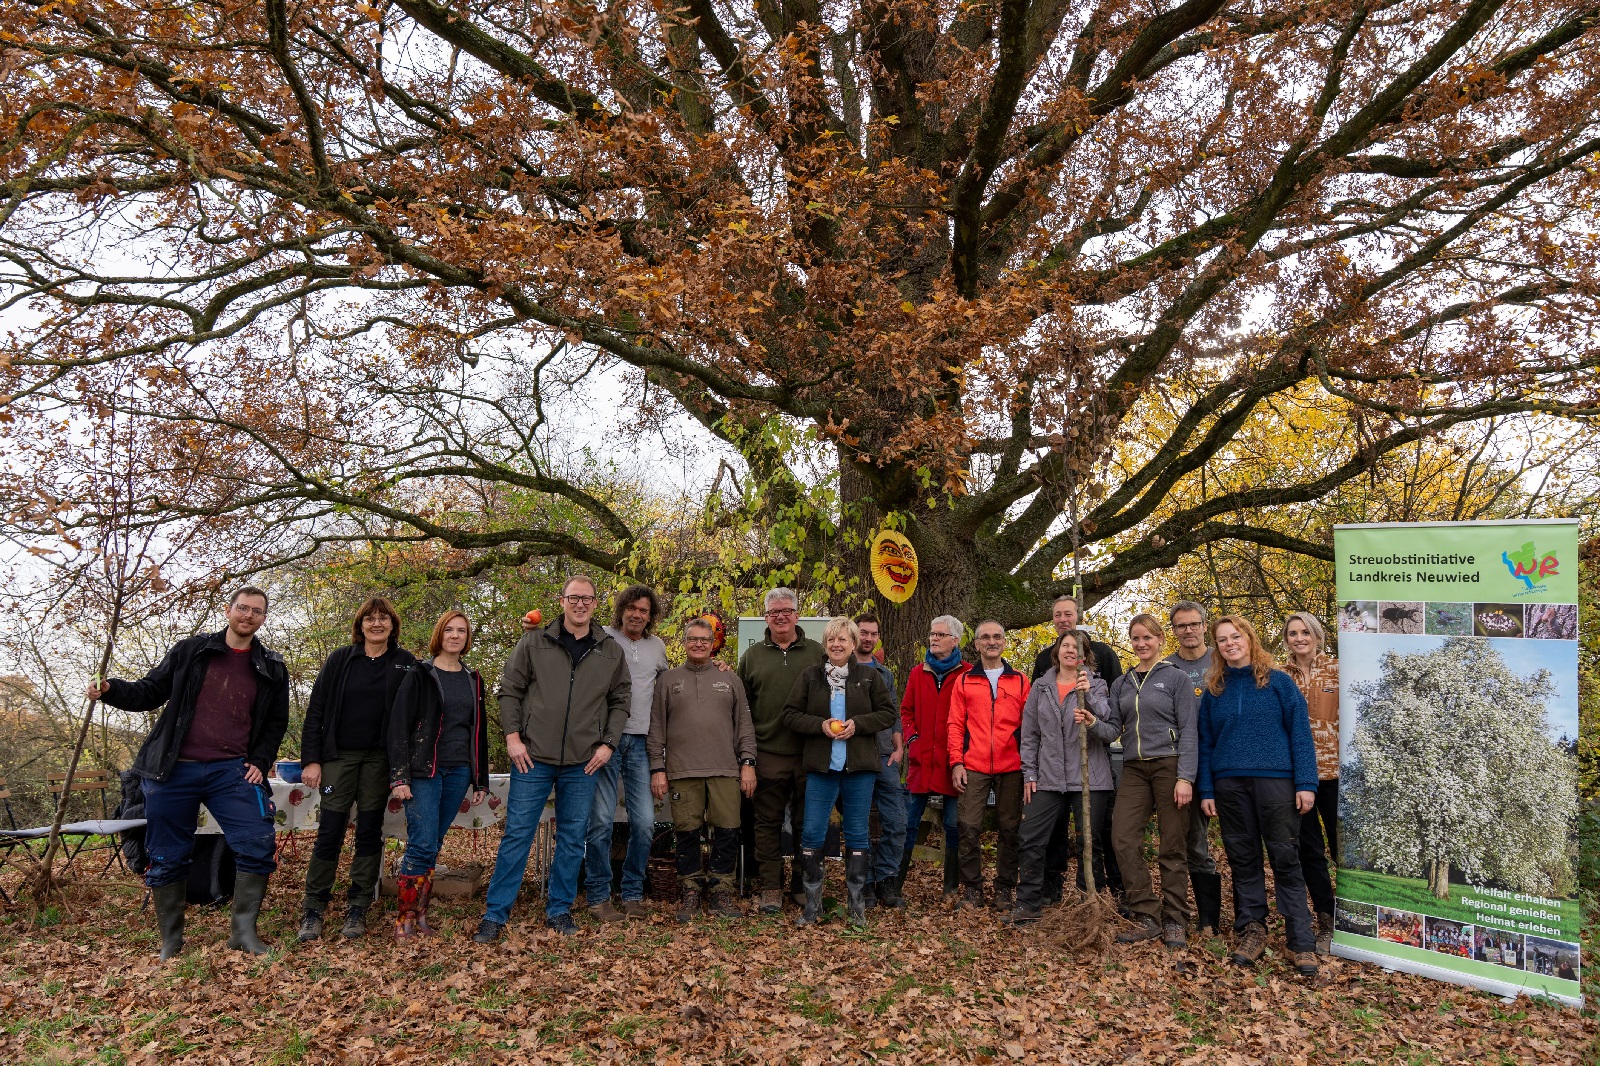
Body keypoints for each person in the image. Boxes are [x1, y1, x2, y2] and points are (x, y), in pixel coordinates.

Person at [89, 587, 289, 960]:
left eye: (256, 611)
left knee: (257, 843)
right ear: (228, 610)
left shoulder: (272, 666)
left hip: (231, 770)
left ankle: (243, 934)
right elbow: (150, 691)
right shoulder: (191, 651)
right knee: (167, 853)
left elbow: (276, 723)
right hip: (171, 769)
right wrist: (111, 689)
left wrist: (260, 763)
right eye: (242, 608)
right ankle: (171, 941)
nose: (248, 616)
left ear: (263, 618)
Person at [475, 575, 630, 940]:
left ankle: (559, 910)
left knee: (574, 838)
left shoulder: (610, 650)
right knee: (518, 834)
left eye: (587, 599)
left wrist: (608, 744)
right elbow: (509, 691)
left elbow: (621, 701)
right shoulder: (533, 641)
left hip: (583, 761)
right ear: (562, 602)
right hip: (534, 757)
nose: (580, 605)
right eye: (573, 598)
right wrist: (513, 738)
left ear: (595, 604)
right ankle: (496, 914)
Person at [1196, 615, 1320, 978]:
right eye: (1222, 639)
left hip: (1276, 783)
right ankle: (1252, 930)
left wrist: (1306, 784)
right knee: (1242, 857)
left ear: (1249, 639)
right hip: (1229, 785)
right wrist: (1206, 788)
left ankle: (1301, 939)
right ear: (1216, 647)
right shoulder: (1214, 690)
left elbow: (1300, 733)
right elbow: (1205, 744)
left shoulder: (1279, 682)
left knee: (1285, 856)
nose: (1230, 643)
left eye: (1236, 636)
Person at [296, 597, 416, 942]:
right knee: (330, 829)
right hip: (339, 758)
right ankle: (314, 908)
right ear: (360, 625)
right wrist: (312, 759)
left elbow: (415, 715)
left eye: (383, 619)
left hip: (380, 761)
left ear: (393, 626)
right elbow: (316, 710)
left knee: (368, 831)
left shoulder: (405, 663)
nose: (376, 624)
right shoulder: (340, 660)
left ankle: (358, 907)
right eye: (370, 619)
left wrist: (404, 769)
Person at [782, 617, 898, 926]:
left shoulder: (869, 677)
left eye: (843, 640)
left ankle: (856, 906)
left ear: (853, 644)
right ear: (825, 643)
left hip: (859, 768)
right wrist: (819, 725)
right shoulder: (810, 677)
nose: (837, 645)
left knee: (858, 833)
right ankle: (813, 905)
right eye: (832, 640)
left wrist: (858, 725)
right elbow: (790, 715)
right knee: (811, 832)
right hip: (821, 768)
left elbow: (888, 713)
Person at [387, 610, 489, 937]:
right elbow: (398, 726)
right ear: (440, 635)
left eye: (461, 631)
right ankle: (405, 919)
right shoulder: (420, 674)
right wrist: (399, 777)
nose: (455, 636)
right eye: (449, 630)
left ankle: (420, 917)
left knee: (434, 843)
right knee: (422, 843)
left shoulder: (473, 679)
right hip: (424, 770)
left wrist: (480, 779)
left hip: (459, 770)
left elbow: (479, 731)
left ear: (467, 638)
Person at [1006, 631, 1118, 924]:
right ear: (1057, 651)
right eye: (1065, 645)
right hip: (1048, 777)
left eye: (1077, 647)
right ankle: (1028, 904)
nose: (1070, 651)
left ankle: (1086, 906)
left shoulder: (1097, 684)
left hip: (1089, 778)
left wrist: (1089, 696)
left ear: (1085, 655)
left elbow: (1109, 726)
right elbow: (1029, 735)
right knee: (1030, 838)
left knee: (1088, 843)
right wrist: (1029, 772)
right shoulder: (1040, 687)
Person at [649, 618, 757, 921]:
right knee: (686, 832)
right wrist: (657, 767)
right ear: (684, 642)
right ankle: (690, 890)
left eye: (705, 639)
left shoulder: (730, 679)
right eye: (692, 639)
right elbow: (656, 727)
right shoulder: (668, 680)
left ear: (714, 643)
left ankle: (721, 889)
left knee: (727, 830)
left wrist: (748, 763)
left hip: (725, 768)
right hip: (682, 770)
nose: (699, 644)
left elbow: (745, 727)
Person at [1108, 613, 1197, 949]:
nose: (1141, 643)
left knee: (1172, 844)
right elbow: (1112, 728)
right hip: (1133, 768)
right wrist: (1090, 722)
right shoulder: (1122, 683)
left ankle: (1175, 919)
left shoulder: (1176, 678)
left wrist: (1185, 777)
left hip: (1169, 766)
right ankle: (1146, 913)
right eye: (1136, 638)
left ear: (1160, 639)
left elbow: (1189, 729)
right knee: (1123, 838)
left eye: (1148, 637)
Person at [583, 585, 669, 922]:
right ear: (621, 609)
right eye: (632, 608)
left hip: (642, 744)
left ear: (651, 616)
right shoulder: (601, 637)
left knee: (645, 823)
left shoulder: (657, 647)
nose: (637, 614)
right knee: (601, 821)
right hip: (606, 742)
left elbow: (668, 687)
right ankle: (599, 894)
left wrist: (714, 664)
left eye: (644, 610)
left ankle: (632, 891)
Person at [1031, 594, 1124, 906]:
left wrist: (1093, 712)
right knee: (1053, 832)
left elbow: (1114, 711)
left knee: (1097, 832)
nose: (1062, 620)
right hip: (1054, 767)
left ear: (1078, 615)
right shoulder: (1044, 660)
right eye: (1057, 615)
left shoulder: (1103, 654)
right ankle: (1050, 891)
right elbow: (1037, 719)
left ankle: (1106, 890)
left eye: (1067, 614)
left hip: (1091, 762)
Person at [738, 587, 826, 913]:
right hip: (768, 753)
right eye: (774, 611)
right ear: (766, 617)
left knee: (807, 823)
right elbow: (742, 710)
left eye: (786, 610)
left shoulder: (818, 653)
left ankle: (802, 885)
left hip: (809, 753)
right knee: (767, 823)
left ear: (796, 614)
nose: (780, 616)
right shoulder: (752, 656)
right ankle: (771, 886)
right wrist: (747, 757)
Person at [946, 620, 1029, 912]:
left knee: (1010, 829)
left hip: (1011, 765)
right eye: (985, 638)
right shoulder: (965, 681)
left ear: (1004, 642)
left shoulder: (1019, 680)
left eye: (997, 637)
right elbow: (955, 724)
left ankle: (1005, 889)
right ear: (977, 644)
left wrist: (1028, 766)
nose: (991, 641)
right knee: (967, 826)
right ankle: (972, 890)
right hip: (974, 764)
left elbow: (1029, 728)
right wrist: (957, 762)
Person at [897, 615, 969, 901]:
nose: (933, 639)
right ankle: (895, 884)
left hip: (953, 763)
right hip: (921, 762)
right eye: (932, 634)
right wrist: (913, 739)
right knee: (909, 823)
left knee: (953, 824)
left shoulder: (967, 674)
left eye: (940, 635)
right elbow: (906, 712)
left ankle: (950, 888)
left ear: (955, 640)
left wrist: (961, 754)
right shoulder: (918, 673)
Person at [1281, 611, 1340, 955]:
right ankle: (1327, 919)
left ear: (1317, 635)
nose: (1299, 638)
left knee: (1342, 849)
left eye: (1305, 632)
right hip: (1297, 777)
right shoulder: (1278, 676)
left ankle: (1355, 916)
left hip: (1336, 775)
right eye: (1292, 633)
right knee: (1310, 852)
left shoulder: (1337, 668)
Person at [1165, 599, 1223, 937]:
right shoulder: (1167, 668)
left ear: (1204, 625)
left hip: (1226, 761)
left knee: (1240, 839)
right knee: (1194, 841)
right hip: (1187, 765)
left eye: (1193, 624)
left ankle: (1249, 918)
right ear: (1173, 630)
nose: (1188, 630)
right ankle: (1207, 920)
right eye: (1180, 625)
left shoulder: (1222, 659)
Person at [854, 614, 908, 909]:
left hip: (886, 758)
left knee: (896, 821)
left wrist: (898, 745)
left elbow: (894, 712)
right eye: (863, 633)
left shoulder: (884, 674)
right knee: (859, 823)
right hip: (857, 758)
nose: (868, 638)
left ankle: (887, 877)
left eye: (873, 634)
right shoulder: (841, 670)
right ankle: (864, 882)